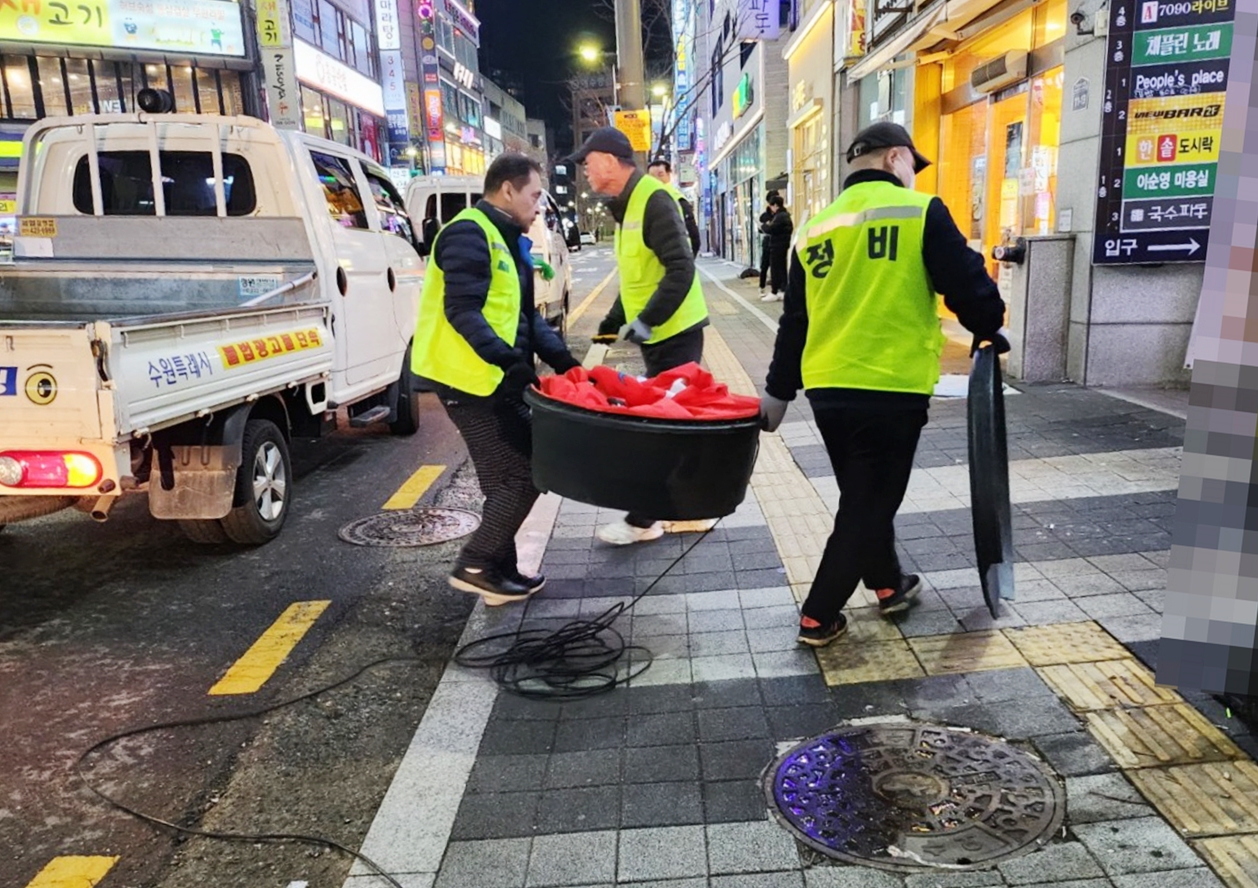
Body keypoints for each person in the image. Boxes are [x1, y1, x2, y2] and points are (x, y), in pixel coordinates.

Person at [759, 121, 1008, 648]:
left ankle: (888, 583)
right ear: (896, 158)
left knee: (862, 494)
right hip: (890, 386)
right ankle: (818, 614)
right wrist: (989, 325)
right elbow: (966, 282)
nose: (914, 177)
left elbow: (795, 320)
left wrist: (778, 391)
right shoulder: (920, 213)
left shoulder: (817, 228)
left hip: (827, 389)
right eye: (911, 166)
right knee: (868, 504)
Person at [412, 153, 581, 605]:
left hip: (493, 378)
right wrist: (509, 363)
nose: (539, 206)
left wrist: (567, 364)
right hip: (469, 381)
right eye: (534, 195)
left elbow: (526, 317)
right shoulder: (468, 232)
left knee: (503, 478)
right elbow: (461, 310)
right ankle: (476, 562)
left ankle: (497, 570)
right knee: (526, 473)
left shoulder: (507, 239)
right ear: (507, 190)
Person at [573, 127, 711, 545]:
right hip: (659, 336)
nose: (584, 168)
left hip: (676, 334)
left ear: (612, 161)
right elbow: (636, 279)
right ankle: (679, 510)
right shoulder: (627, 207)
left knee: (663, 428)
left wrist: (648, 320)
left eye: (588, 159)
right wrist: (611, 323)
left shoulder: (653, 199)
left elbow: (680, 267)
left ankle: (645, 520)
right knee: (669, 427)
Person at [647, 157, 702, 255]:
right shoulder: (644, 200)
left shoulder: (678, 200)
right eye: (652, 176)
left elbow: (693, 235)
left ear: (669, 175)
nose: (656, 179)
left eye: (660, 175)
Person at [760, 194, 793, 303]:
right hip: (782, 245)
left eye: (771, 206)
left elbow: (771, 229)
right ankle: (782, 290)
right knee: (781, 268)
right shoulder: (785, 215)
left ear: (775, 205)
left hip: (777, 245)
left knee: (775, 268)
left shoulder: (780, 217)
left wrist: (764, 226)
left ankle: (774, 291)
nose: (771, 209)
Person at [758, 191, 778, 295]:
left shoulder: (780, 214)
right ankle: (762, 287)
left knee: (776, 267)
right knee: (764, 266)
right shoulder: (764, 216)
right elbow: (760, 229)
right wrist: (765, 227)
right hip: (767, 242)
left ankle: (776, 289)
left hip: (777, 243)